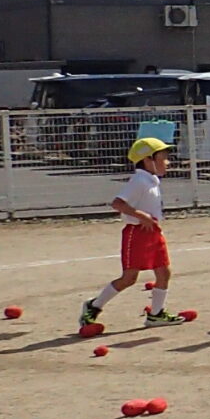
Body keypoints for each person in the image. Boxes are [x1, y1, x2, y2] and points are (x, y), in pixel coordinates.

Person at [83, 136, 177, 330]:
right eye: (163, 157)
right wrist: (140, 215)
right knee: (129, 278)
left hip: (153, 233)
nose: (167, 162)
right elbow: (118, 203)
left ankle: (156, 314)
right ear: (148, 159)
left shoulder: (151, 180)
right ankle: (94, 306)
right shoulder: (139, 181)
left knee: (164, 272)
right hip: (137, 233)